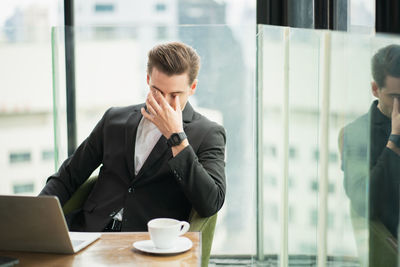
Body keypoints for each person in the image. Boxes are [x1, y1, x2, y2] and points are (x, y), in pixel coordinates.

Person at [40, 42, 227, 232]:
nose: (165, 102)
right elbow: (69, 175)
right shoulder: (113, 119)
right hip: (90, 232)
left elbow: (211, 202)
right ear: (147, 79)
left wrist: (176, 137)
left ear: (192, 87)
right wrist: (34, 215)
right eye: (158, 92)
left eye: (175, 94)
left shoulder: (208, 134)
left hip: (149, 242)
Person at [340, 44, 400, 239]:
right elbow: (364, 203)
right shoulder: (356, 134)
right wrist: (394, 143)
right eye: (396, 97)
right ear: (376, 89)